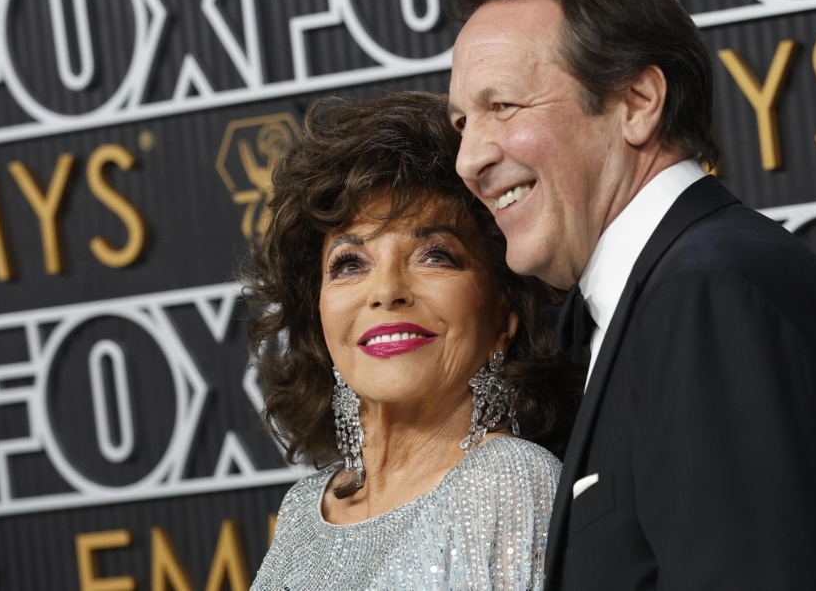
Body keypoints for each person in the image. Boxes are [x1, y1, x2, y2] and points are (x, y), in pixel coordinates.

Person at [446, 0, 816, 591]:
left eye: (502, 106)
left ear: (638, 101)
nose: (468, 158)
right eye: (461, 122)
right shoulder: (677, 294)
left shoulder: (706, 299)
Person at [244, 91, 582, 590]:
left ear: (506, 311)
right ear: (318, 316)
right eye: (349, 263)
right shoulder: (305, 508)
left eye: (435, 255)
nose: (386, 292)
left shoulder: (506, 481)